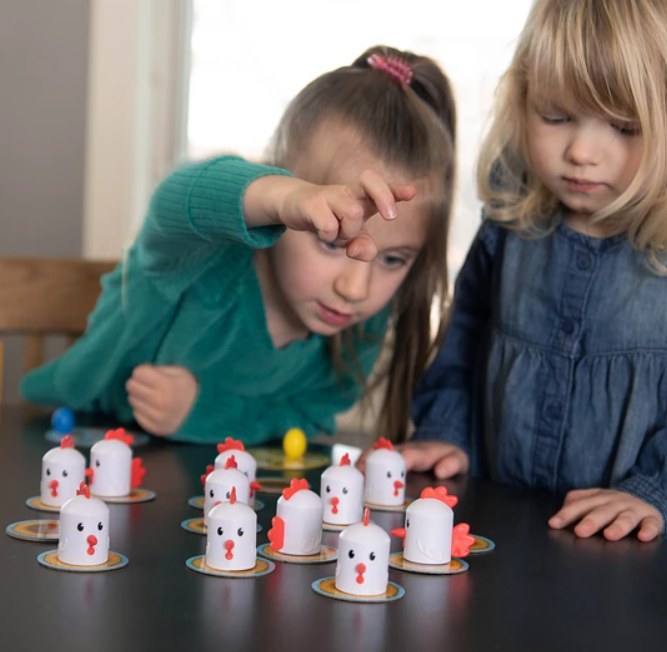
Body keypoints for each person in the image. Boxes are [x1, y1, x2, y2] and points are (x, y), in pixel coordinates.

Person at [22, 46, 457, 448]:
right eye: (330, 240)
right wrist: (282, 196)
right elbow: (176, 201)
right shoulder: (200, 253)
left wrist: (202, 410)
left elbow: (305, 414)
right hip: (63, 428)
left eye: (393, 259)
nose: (356, 289)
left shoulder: (362, 326)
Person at [362, 0, 667, 542]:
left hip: (627, 552)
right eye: (556, 117)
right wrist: (447, 432)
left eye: (624, 126)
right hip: (496, 527)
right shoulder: (510, 222)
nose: (581, 152)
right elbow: (461, 342)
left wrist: (654, 490)